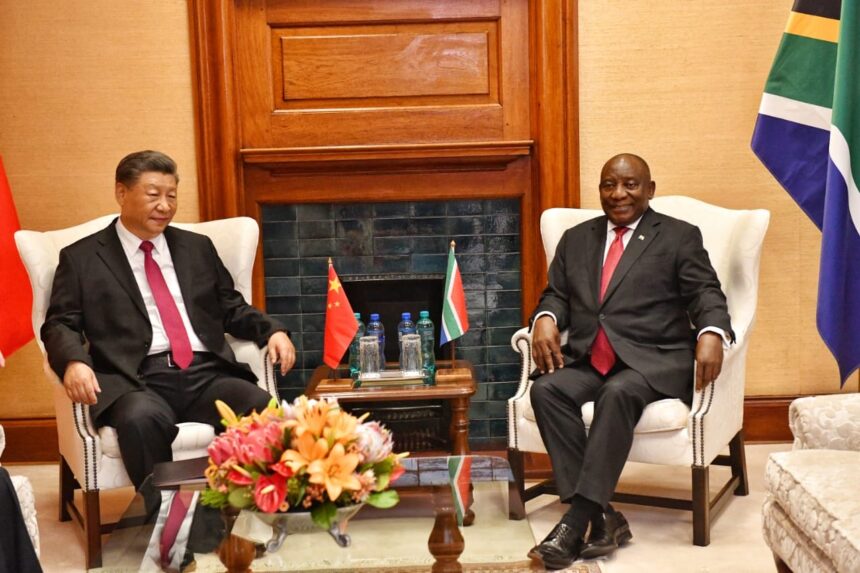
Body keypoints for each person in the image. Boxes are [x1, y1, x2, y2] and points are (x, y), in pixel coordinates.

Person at [41, 150, 296, 488]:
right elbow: (60, 324)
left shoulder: (197, 248)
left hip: (205, 374)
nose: (165, 205)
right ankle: (161, 520)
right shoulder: (82, 258)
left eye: (171, 195)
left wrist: (272, 331)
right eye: (153, 195)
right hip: (136, 378)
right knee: (139, 419)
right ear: (122, 193)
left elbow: (231, 307)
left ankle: (260, 507)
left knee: (260, 407)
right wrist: (73, 362)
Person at [527, 153, 733, 570]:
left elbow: (705, 293)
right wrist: (545, 319)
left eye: (630, 184)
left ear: (650, 190)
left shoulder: (678, 236)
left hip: (654, 359)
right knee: (547, 390)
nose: (618, 193)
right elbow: (557, 295)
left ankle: (576, 518)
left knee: (618, 393)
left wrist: (712, 331)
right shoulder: (576, 238)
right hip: (591, 357)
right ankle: (605, 518)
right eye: (608, 185)